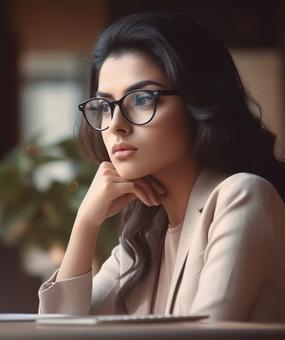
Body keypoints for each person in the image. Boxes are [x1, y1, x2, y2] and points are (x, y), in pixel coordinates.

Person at [38, 11, 285, 321]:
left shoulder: (242, 197)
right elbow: (59, 329)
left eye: (141, 99)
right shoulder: (145, 234)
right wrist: (86, 221)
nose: (116, 125)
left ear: (199, 102)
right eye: (104, 106)